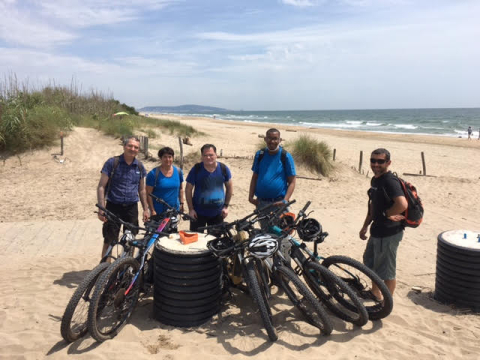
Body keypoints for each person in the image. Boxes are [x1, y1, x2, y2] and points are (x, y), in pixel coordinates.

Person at [359, 148, 408, 298]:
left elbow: (402, 204)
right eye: (373, 160)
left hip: (389, 232)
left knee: (387, 271)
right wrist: (365, 225)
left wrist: (387, 214)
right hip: (377, 230)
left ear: (388, 163)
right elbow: (373, 205)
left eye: (380, 161)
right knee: (371, 262)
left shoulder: (389, 181)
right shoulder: (375, 179)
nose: (376, 164)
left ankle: (387, 303)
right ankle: (375, 293)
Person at [97, 136, 149, 259]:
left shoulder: (140, 166)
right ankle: (105, 268)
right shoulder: (112, 163)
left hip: (131, 208)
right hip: (113, 207)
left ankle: (125, 266)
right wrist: (101, 209)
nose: (133, 149)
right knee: (109, 240)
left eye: (136, 147)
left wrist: (145, 209)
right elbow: (101, 187)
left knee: (130, 240)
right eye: (130, 146)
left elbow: (142, 190)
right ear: (124, 146)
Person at [248, 128, 296, 228]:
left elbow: (292, 182)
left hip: (279, 204)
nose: (272, 141)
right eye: (269, 138)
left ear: (280, 140)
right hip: (262, 203)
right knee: (266, 234)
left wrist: (285, 200)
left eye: (275, 139)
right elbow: (255, 177)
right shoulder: (260, 154)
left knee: (282, 234)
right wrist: (251, 197)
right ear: (265, 139)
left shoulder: (285, 156)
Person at [185, 144, 233, 232]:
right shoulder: (196, 169)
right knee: (196, 241)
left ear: (216, 155)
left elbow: (229, 188)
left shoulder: (223, 168)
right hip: (198, 213)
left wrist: (226, 206)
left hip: (218, 213)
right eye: (205, 155)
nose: (208, 157)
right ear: (202, 157)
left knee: (215, 241)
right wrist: (191, 209)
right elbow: (188, 189)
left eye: (211, 155)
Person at [146, 147, 184, 223]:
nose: (167, 159)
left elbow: (181, 189)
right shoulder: (153, 174)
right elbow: (148, 194)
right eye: (165, 157)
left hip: (173, 211)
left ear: (173, 158)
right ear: (160, 158)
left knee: (172, 233)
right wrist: (152, 210)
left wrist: (182, 203)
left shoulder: (179, 171)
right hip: (158, 212)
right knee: (158, 234)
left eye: (170, 157)